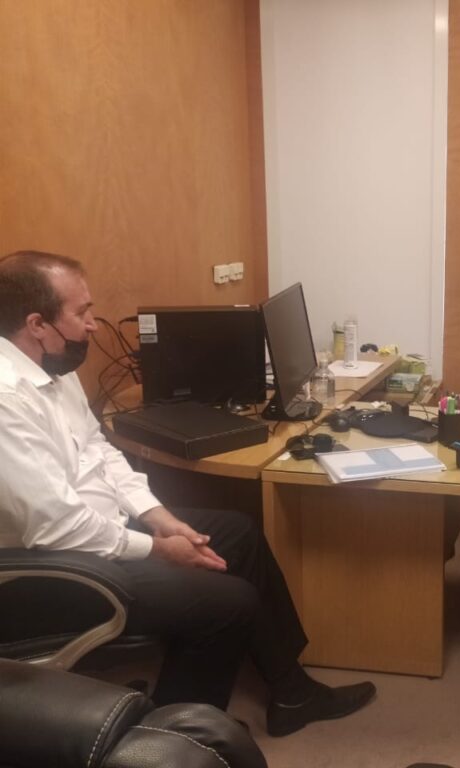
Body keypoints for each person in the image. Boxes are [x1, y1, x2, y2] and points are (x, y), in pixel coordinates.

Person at [0, 250, 376, 737]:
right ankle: (172, 738)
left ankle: (292, 691)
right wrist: (158, 549)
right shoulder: (7, 401)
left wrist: (159, 516)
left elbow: (99, 451)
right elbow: (57, 526)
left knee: (238, 533)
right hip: (56, 569)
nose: (93, 324)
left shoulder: (55, 369)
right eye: (82, 312)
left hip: (101, 529)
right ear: (37, 325)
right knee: (230, 602)